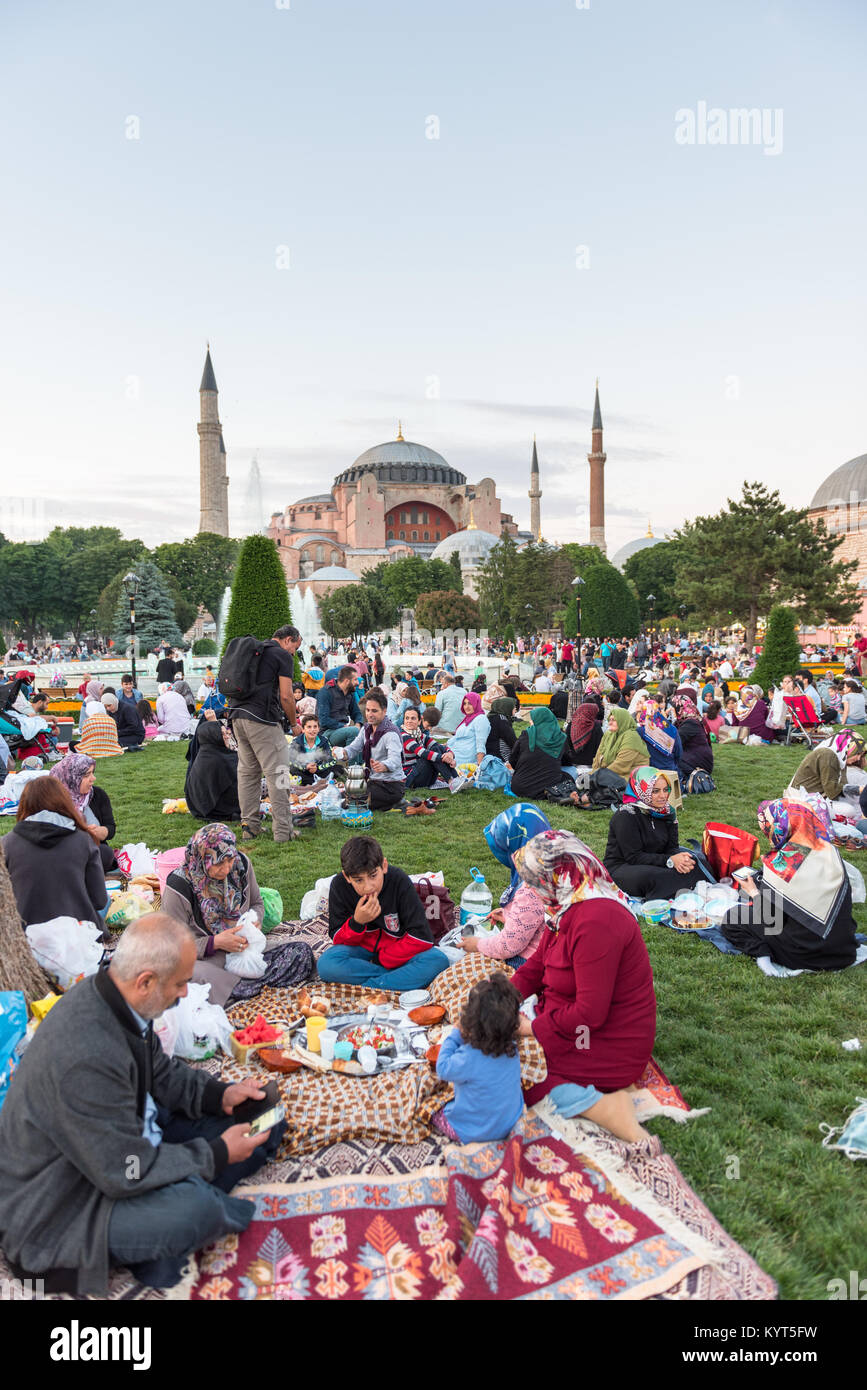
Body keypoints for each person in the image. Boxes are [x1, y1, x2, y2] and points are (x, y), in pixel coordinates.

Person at [0, 912, 284, 1295]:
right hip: (65, 1208)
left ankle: (177, 1193)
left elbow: (160, 1073)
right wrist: (214, 1154)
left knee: (264, 1111)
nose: (187, 993)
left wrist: (220, 1096)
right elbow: (124, 1170)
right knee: (195, 1210)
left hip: (125, 1145)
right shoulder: (84, 1058)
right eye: (181, 983)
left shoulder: (117, 997)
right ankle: (163, 1226)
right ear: (146, 981)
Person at [509, 830, 656, 1143]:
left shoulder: (596, 921)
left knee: (511, 1076)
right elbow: (536, 967)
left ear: (556, 877)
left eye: (533, 881)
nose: (531, 889)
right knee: (494, 1056)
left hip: (606, 1042)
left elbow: (590, 1015)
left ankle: (604, 1107)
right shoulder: (568, 903)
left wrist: (528, 1029)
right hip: (570, 1024)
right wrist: (501, 998)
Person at [162, 825, 312, 1006]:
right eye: (218, 863)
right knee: (189, 976)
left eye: (229, 860)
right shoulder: (179, 885)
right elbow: (169, 945)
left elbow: (257, 903)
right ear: (202, 859)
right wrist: (215, 943)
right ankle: (240, 987)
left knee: (301, 952)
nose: (226, 869)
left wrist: (253, 921)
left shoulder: (241, 866)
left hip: (245, 950)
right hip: (206, 958)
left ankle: (238, 990)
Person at [720, 801, 858, 971]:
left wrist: (753, 892)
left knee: (733, 916)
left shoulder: (782, 863)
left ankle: (763, 954)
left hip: (804, 956)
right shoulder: (830, 852)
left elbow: (771, 920)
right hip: (844, 952)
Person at [319, 835, 450, 989]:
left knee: (438, 960)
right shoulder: (339, 886)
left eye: (373, 875)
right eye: (358, 880)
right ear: (347, 877)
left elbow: (422, 937)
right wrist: (357, 923)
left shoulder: (398, 881)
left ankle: (372, 986)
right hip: (362, 951)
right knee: (327, 963)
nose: (368, 887)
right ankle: (396, 979)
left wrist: (382, 959)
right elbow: (337, 939)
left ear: (384, 866)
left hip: (398, 951)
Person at [226, 625, 301, 844]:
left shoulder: (255, 652)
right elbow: (287, 696)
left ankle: (249, 828)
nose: (293, 654)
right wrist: (294, 723)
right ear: (288, 640)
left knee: (248, 774)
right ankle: (283, 832)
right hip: (262, 720)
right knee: (278, 774)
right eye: (294, 648)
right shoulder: (281, 655)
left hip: (237, 716)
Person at [1, 775, 108, 927]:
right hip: (77, 932)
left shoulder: (6, 843)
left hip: (25, 933)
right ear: (64, 801)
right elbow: (100, 900)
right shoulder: (83, 840)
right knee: (108, 901)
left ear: (25, 804)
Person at [433, 974, 525, 1142]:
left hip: (476, 1132)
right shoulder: (512, 1046)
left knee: (433, 1109)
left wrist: (455, 1035)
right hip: (510, 1121)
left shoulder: (468, 1056)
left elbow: (442, 1069)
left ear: (471, 1020)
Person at [460, 804, 551, 967]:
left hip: (531, 962)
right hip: (552, 954)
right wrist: (510, 917)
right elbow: (537, 918)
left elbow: (509, 946)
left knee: (466, 969)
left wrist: (477, 945)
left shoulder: (531, 885)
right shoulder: (555, 867)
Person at [603, 767, 707, 899]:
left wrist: (682, 860)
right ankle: (677, 888)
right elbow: (634, 857)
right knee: (656, 877)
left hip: (656, 861)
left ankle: (675, 888)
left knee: (697, 864)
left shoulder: (668, 812)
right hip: (623, 867)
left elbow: (672, 848)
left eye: (665, 790)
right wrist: (669, 860)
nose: (663, 796)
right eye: (655, 791)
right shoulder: (626, 815)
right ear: (641, 790)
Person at [50, 751, 118, 872]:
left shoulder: (97, 794)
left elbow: (110, 828)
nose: (93, 779)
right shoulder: (54, 801)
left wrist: (102, 831)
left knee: (105, 853)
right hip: (62, 853)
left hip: (91, 850)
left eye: (92, 773)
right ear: (71, 778)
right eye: (86, 775)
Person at [342, 688, 406, 811]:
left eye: (374, 711)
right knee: (344, 796)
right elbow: (354, 748)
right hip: (373, 782)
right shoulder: (366, 728)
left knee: (351, 802)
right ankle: (389, 804)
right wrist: (343, 752)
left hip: (391, 786)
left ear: (384, 711)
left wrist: (384, 765)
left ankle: (395, 801)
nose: (370, 714)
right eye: (367, 710)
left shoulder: (390, 733)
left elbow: (396, 760)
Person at [508, 707, 577, 803]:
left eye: (532, 720)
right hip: (548, 788)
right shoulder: (561, 738)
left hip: (520, 788)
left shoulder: (526, 734)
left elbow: (512, 760)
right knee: (572, 771)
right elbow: (568, 761)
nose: (531, 722)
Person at [184, 721, 242, 821]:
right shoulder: (226, 758)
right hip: (221, 810)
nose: (227, 736)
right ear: (214, 736)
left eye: (227, 733)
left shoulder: (202, 754)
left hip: (200, 808)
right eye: (222, 734)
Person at [400, 705, 462, 790]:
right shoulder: (404, 736)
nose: (409, 721)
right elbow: (421, 752)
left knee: (435, 749)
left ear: (419, 721)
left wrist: (450, 754)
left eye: (413, 718)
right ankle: (451, 781)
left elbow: (438, 746)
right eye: (407, 718)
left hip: (424, 776)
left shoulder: (420, 735)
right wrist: (444, 758)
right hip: (411, 779)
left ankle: (456, 779)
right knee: (427, 755)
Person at [316, 665, 363, 747]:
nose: (358, 683)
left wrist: (358, 724)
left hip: (343, 730)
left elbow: (356, 713)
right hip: (327, 733)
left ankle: (360, 760)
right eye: (355, 679)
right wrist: (342, 726)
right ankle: (353, 760)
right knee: (353, 732)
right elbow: (323, 720)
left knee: (365, 731)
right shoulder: (325, 692)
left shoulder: (349, 693)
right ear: (347, 681)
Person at [287, 711, 339, 785]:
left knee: (338, 768)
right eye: (309, 727)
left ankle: (314, 782)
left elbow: (331, 759)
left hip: (319, 770)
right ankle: (319, 782)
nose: (312, 730)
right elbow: (291, 759)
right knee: (292, 769)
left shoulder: (324, 740)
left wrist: (317, 768)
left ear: (318, 729)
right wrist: (306, 766)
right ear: (303, 729)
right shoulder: (296, 741)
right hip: (303, 771)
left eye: (315, 727)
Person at [445, 692, 491, 771]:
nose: (466, 707)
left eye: (470, 703)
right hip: (454, 753)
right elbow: (456, 738)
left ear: (476, 703)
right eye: (465, 704)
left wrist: (479, 768)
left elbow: (481, 743)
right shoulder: (467, 719)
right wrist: (442, 746)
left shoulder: (481, 719)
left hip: (463, 759)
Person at [635, 696, 682, 772]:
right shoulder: (671, 729)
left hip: (651, 773)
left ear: (644, 712)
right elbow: (678, 753)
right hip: (671, 770)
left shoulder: (640, 731)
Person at [672, 693, 714, 780]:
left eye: (673, 708)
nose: (671, 711)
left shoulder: (690, 722)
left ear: (679, 708)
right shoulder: (687, 720)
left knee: (672, 758)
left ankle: (692, 776)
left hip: (700, 761)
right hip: (694, 756)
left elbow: (674, 742)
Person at [565, 700, 603, 767]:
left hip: (573, 763)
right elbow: (600, 746)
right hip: (590, 763)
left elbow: (567, 745)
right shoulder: (596, 726)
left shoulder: (571, 725)